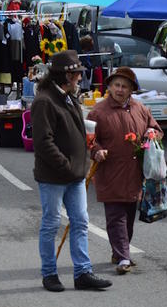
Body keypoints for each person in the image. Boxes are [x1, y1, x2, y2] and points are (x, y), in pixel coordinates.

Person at [32, 50, 112, 292]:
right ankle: (49, 274)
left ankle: (82, 272)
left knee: (80, 222)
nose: (79, 78)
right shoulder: (45, 101)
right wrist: (65, 165)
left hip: (75, 174)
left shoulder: (69, 96)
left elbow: (76, 133)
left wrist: (90, 150)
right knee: (51, 224)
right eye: (76, 74)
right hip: (55, 175)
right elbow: (43, 142)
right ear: (64, 76)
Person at [87, 67, 162, 275]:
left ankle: (119, 252)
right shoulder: (98, 112)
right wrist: (96, 151)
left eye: (124, 86)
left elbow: (156, 129)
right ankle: (123, 257)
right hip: (110, 172)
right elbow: (90, 140)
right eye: (116, 85)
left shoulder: (140, 108)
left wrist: (151, 132)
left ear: (131, 90)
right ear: (109, 87)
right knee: (116, 217)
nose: (120, 90)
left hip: (134, 173)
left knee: (128, 218)